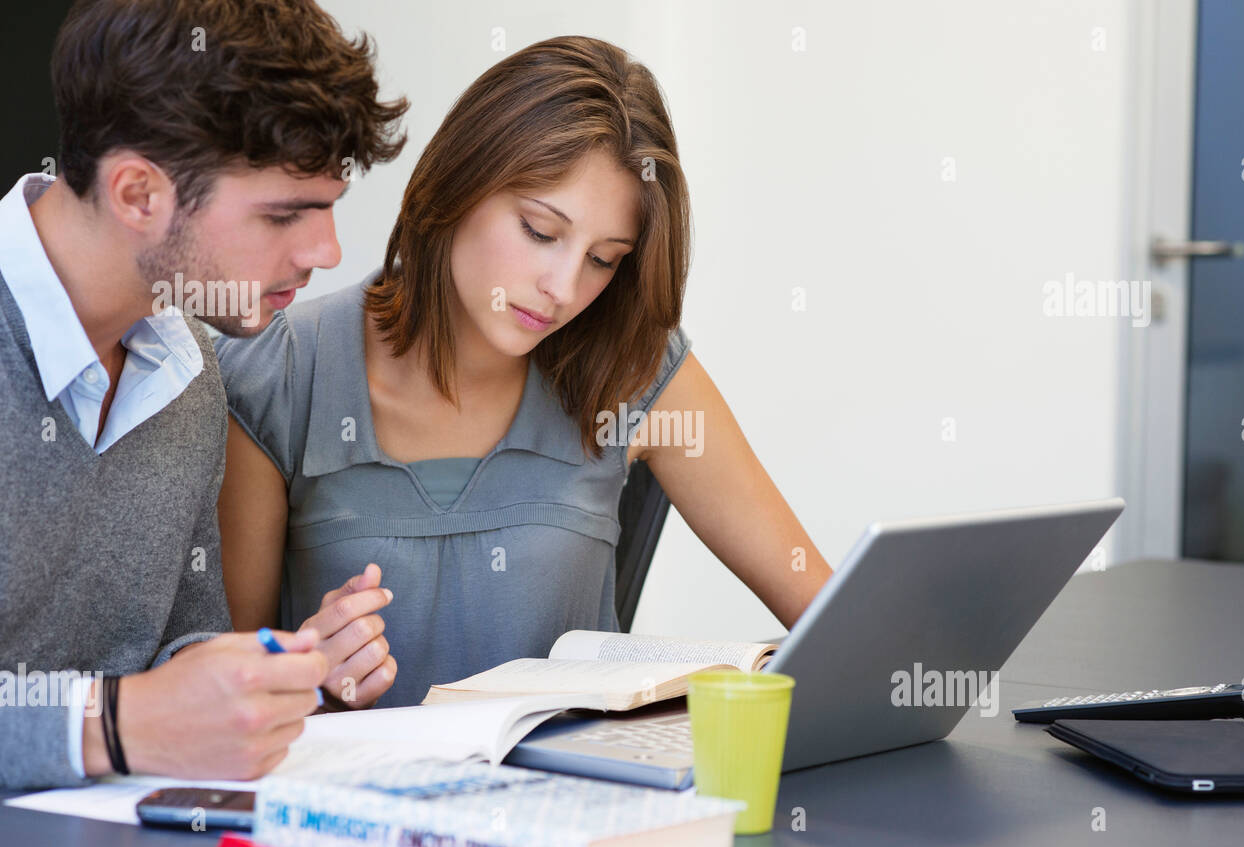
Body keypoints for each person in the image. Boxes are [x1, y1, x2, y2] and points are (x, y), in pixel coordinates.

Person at [215, 36, 834, 708]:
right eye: (540, 231)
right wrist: (308, 669)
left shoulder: (637, 369)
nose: (563, 288)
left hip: (582, 805)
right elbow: (223, 695)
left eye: (604, 259)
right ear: (459, 182)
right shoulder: (274, 375)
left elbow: (828, 610)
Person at [0, 0, 409, 790]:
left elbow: (173, 649)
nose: (325, 251)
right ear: (138, 194)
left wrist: (280, 672)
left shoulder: (187, 369)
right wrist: (116, 724)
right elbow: (137, 708)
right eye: (285, 214)